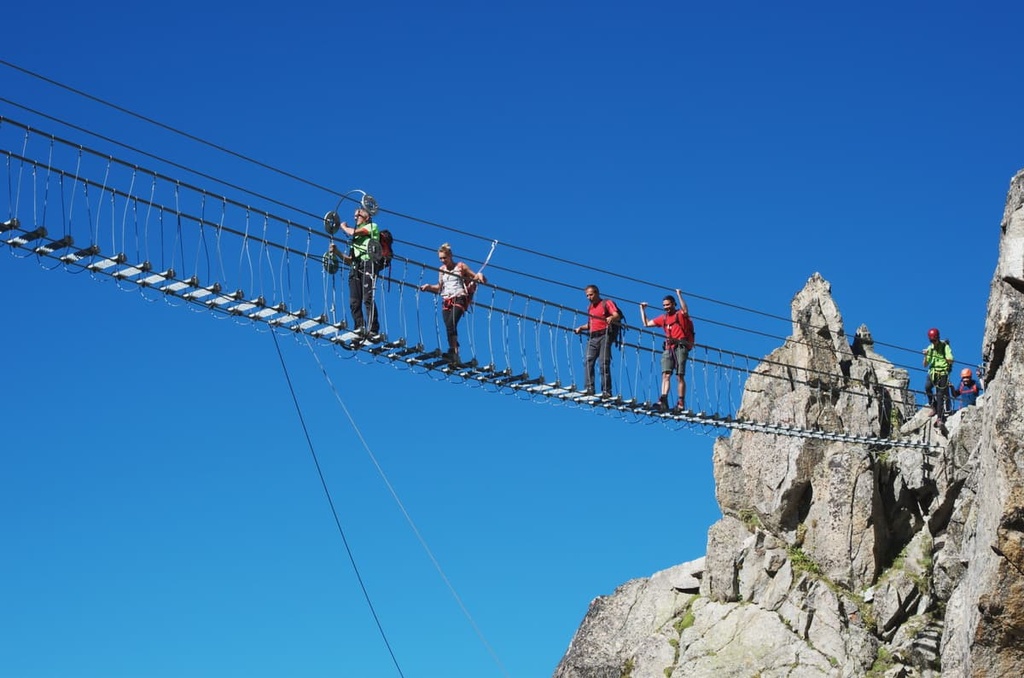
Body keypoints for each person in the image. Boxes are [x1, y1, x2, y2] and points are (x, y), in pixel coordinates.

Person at [419, 243, 486, 364]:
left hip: (459, 298)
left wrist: (480, 275)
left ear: (450, 256)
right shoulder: (442, 270)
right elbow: (439, 287)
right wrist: (429, 287)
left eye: (445, 257)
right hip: (446, 300)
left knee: (451, 323)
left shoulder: (461, 266)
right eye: (441, 258)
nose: (443, 260)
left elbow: (475, 277)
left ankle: (452, 352)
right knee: (449, 327)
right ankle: (455, 354)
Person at [640, 288, 694, 412]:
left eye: (668, 305)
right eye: (664, 305)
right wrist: (642, 309)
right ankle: (663, 400)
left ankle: (680, 402)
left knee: (679, 376)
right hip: (669, 347)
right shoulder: (663, 318)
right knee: (666, 374)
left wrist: (679, 295)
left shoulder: (679, 314)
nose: (666, 307)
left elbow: (685, 310)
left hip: (681, 346)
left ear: (674, 304)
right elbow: (646, 324)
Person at [336, 206, 381, 337]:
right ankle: (359, 329)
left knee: (367, 298)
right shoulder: (355, 240)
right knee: (354, 302)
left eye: (358, 215)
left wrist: (343, 227)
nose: (355, 217)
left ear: (367, 217)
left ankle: (373, 328)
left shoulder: (372, 227)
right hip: (355, 267)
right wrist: (337, 252)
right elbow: (350, 260)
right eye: (354, 216)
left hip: (368, 263)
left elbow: (352, 232)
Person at [573, 285, 621, 397]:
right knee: (588, 361)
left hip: (605, 335)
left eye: (591, 294)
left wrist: (611, 318)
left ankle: (606, 391)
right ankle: (589, 388)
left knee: (603, 363)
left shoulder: (606, 303)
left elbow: (617, 315)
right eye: (587, 296)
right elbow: (591, 324)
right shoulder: (589, 308)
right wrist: (581, 328)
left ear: (597, 293)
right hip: (592, 337)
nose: (589, 297)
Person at [923, 327, 954, 425]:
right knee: (927, 388)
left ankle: (940, 418)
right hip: (932, 373)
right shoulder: (930, 348)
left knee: (940, 394)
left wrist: (947, 358)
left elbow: (951, 359)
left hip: (942, 373)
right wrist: (926, 355)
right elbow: (925, 364)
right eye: (931, 340)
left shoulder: (945, 346)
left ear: (938, 338)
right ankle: (934, 406)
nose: (934, 342)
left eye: (935, 340)